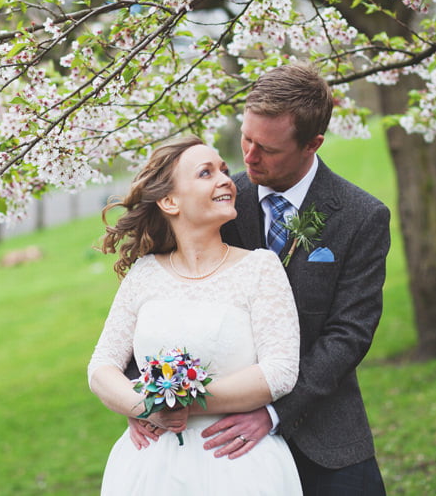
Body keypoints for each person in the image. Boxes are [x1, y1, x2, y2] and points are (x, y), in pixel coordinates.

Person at [130, 64, 391, 495]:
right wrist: (140, 396)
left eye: (267, 148)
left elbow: (349, 334)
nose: (248, 157)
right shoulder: (214, 201)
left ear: (312, 145)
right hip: (213, 447)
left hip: (325, 433)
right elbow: (155, 295)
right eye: (246, 139)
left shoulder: (362, 217)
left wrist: (273, 412)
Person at [87, 135, 303, 495]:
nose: (226, 180)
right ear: (170, 201)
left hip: (237, 463)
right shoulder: (144, 274)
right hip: (149, 468)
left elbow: (280, 370)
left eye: (223, 169)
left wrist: (182, 402)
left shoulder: (259, 268)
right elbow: (101, 367)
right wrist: (146, 407)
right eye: (206, 173)